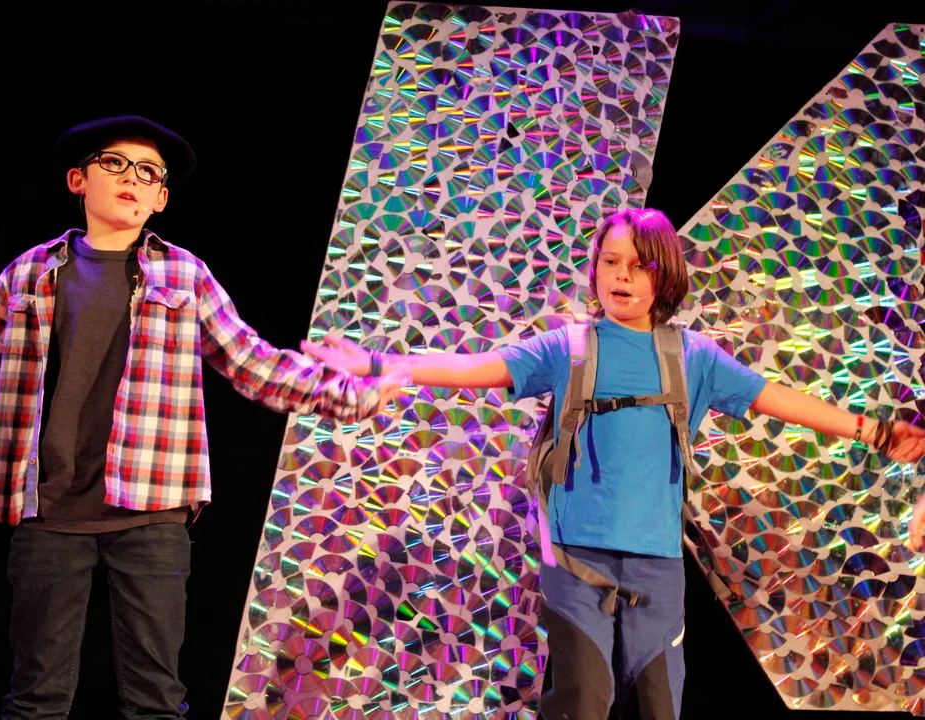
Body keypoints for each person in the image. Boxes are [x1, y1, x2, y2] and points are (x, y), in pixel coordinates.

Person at [0, 114, 406, 720]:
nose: (131, 179)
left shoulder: (184, 274)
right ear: (78, 180)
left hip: (152, 510)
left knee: (155, 700)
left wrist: (353, 394)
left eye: (148, 173)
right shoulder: (30, 272)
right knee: (36, 699)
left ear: (161, 198)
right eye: (114, 164)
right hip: (49, 510)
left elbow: (252, 361)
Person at [300, 207, 925, 720]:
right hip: (577, 563)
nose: (621, 276)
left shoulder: (693, 357)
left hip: (658, 569)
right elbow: (476, 366)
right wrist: (379, 364)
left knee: (659, 707)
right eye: (610, 261)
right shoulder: (568, 347)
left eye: (638, 265)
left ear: (664, 275)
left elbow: (778, 399)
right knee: (583, 701)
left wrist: (874, 431)